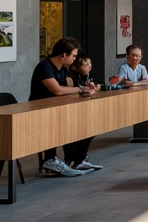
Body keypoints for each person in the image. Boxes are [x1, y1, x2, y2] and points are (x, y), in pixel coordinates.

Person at [29, 38, 97, 176]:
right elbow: (58, 90)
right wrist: (81, 89)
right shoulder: (45, 67)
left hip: (57, 108)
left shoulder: (62, 69)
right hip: (41, 111)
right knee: (68, 127)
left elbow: (67, 88)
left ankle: (77, 160)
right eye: (73, 55)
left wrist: (80, 88)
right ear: (64, 55)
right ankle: (51, 160)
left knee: (88, 126)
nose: (74, 59)